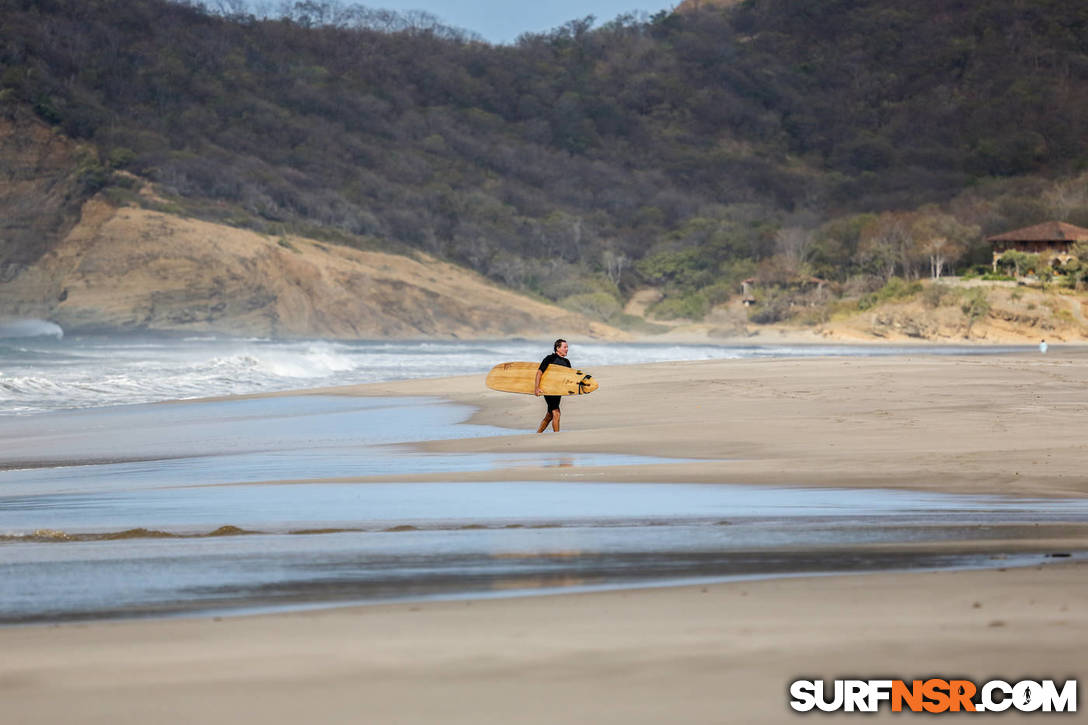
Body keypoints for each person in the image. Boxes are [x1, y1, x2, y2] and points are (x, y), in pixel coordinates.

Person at [535, 338, 570, 433]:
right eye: (565, 347)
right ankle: (557, 437)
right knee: (556, 413)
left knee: (550, 415)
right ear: (558, 348)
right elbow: (539, 372)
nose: (567, 349)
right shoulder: (550, 358)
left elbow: (568, 378)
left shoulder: (567, 362)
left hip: (558, 391)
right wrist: (537, 388)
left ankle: (538, 434)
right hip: (548, 389)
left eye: (567, 347)